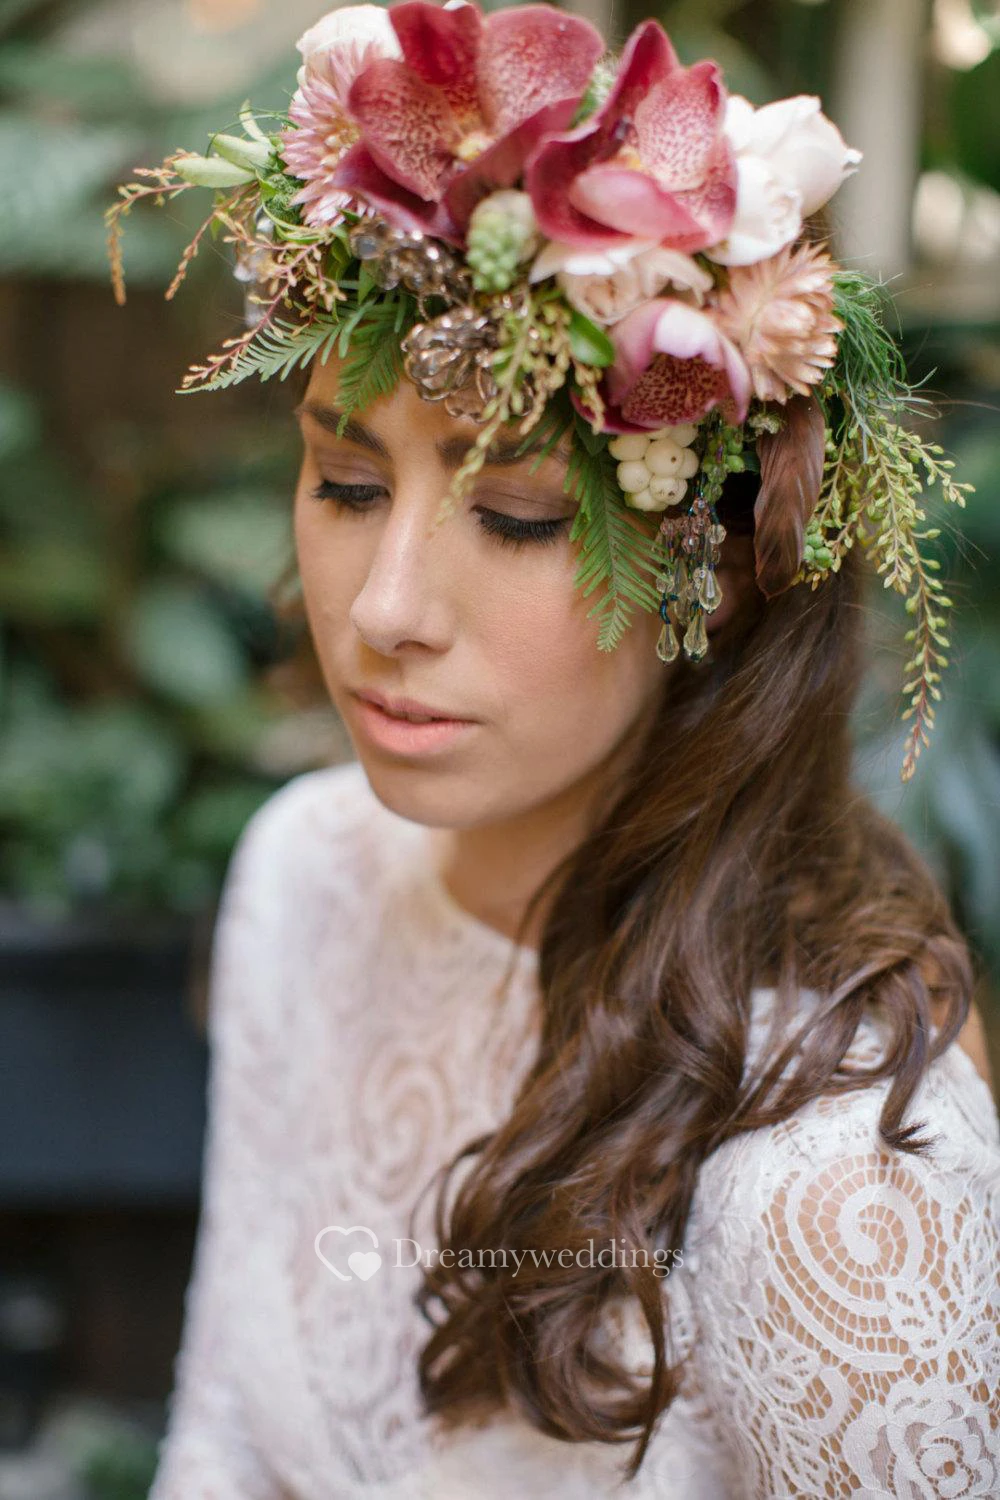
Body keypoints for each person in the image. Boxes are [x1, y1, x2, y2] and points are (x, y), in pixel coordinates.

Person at [109, 4, 1000, 1495]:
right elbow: (221, 1441)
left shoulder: (840, 1192)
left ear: (721, 570)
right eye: (345, 485)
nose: (385, 610)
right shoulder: (304, 878)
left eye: (519, 516)